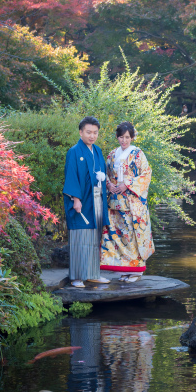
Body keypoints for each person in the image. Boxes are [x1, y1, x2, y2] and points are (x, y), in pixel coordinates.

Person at [101, 121, 154, 282]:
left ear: (132, 138)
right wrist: (109, 184)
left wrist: (127, 184)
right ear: (117, 137)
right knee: (118, 236)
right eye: (121, 137)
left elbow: (146, 174)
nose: (124, 140)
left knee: (132, 235)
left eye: (127, 137)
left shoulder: (138, 154)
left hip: (132, 202)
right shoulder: (112, 154)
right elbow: (106, 173)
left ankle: (136, 271)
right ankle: (124, 270)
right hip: (115, 201)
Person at [62, 116, 110, 288]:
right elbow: (72, 176)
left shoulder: (97, 150)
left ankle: (93, 273)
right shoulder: (74, 151)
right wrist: (76, 199)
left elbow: (100, 172)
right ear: (81, 132)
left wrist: (104, 179)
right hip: (81, 200)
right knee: (80, 237)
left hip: (96, 199)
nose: (92, 136)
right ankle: (77, 276)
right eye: (88, 132)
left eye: (95, 132)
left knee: (93, 238)